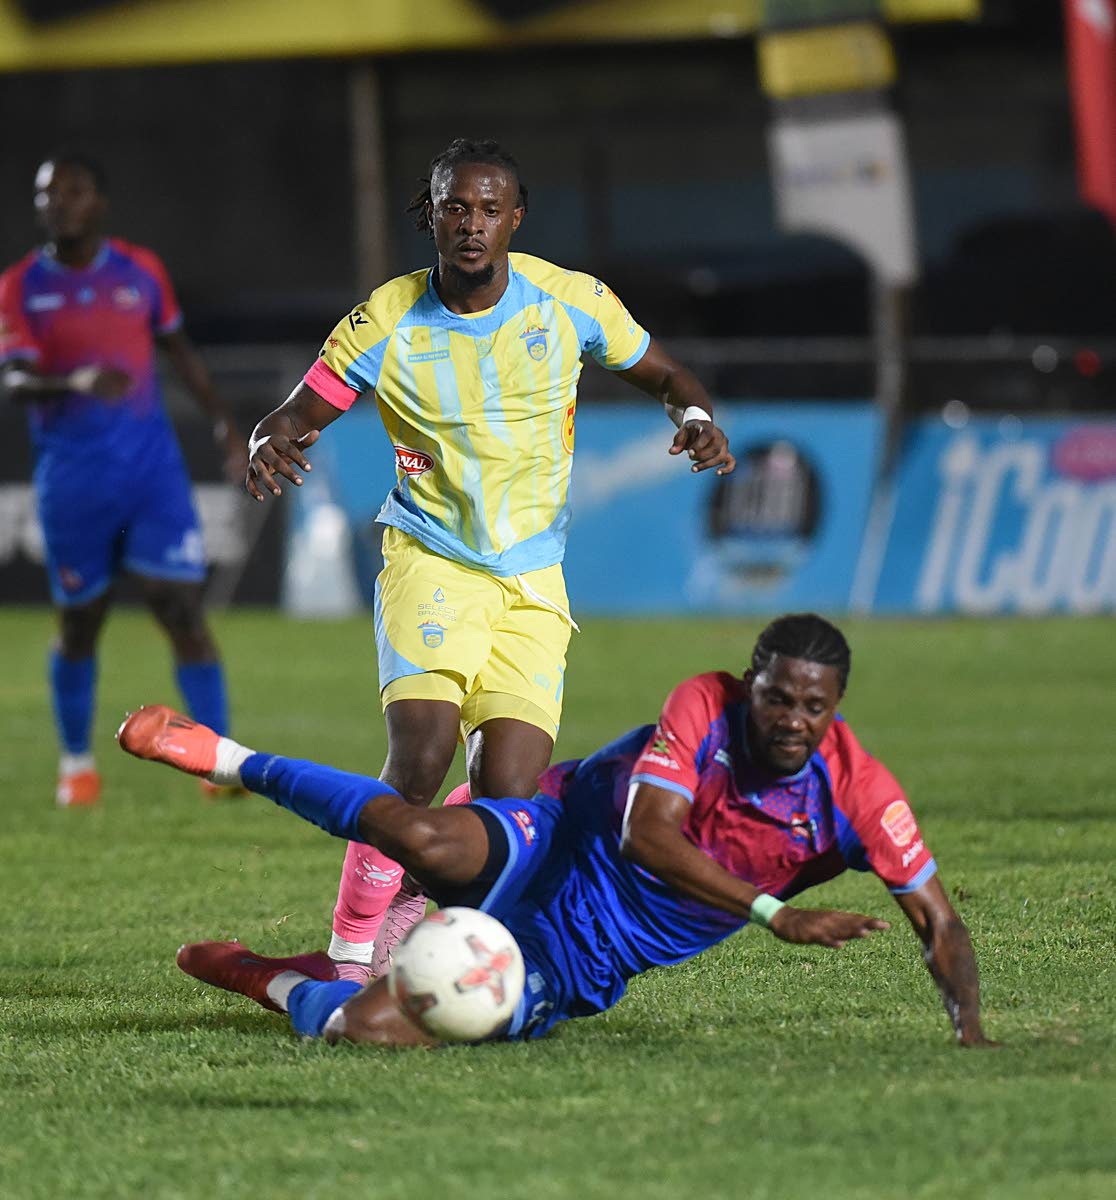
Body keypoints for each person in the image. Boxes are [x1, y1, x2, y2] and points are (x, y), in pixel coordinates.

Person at [243, 137, 736, 980]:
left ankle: (433, 931)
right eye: (454, 207)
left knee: (507, 798)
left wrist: (693, 416)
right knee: (422, 756)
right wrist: (266, 441)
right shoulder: (387, 319)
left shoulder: (570, 302)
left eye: (488, 208)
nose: (472, 224)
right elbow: (296, 413)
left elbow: (666, 373)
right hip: (431, 558)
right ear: (429, 216)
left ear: (516, 218)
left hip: (535, 577)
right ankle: (350, 954)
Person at [117, 613, 996, 1048]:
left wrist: (969, 1030)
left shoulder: (860, 796)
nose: (791, 719)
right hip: (559, 840)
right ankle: (226, 757)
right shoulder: (705, 702)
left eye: (813, 705)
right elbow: (649, 835)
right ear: (750, 683)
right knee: (422, 837)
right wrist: (774, 912)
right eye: (776, 696)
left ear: (836, 709)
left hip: (586, 951)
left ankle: (261, 977)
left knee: (372, 1032)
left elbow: (941, 924)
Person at [0, 151, 245, 806]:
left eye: (72, 191)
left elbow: (180, 352)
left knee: (182, 609)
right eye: (46, 192)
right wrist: (75, 380)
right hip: (73, 481)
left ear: (98, 202)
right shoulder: (21, 285)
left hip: (152, 474)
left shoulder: (141, 272)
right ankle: (77, 764)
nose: (58, 202)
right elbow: (14, 378)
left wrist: (224, 422)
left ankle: (214, 760)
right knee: (81, 620)